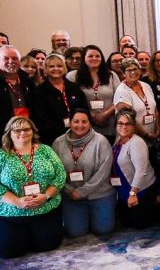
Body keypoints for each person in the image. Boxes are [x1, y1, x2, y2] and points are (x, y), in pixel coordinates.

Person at [0, 116, 66, 258]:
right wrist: (17, 202)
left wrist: (47, 195)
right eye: (17, 130)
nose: (22, 133)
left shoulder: (46, 151)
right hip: (12, 213)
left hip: (45, 209)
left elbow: (60, 175)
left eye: (26, 129)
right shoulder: (2, 155)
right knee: (9, 251)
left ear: (33, 131)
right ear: (9, 133)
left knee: (48, 245)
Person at [51, 108, 115, 237]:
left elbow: (103, 173)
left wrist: (82, 192)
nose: (80, 125)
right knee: (76, 232)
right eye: (76, 121)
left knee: (103, 230)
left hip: (99, 194)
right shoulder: (58, 143)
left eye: (84, 122)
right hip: (71, 196)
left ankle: (106, 211)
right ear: (70, 122)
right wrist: (70, 191)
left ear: (90, 123)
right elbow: (55, 173)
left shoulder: (101, 142)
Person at [112, 109, 159, 229]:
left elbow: (141, 171)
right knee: (125, 222)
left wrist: (133, 194)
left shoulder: (137, 143)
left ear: (133, 126)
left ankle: (158, 204)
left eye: (128, 124)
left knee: (139, 224)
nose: (124, 127)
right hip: (124, 187)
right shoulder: (118, 140)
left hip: (140, 188)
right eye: (120, 123)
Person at [32, 53, 90, 144]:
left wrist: (76, 126)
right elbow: (40, 117)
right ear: (46, 69)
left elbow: (84, 108)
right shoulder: (39, 91)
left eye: (59, 66)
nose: (56, 69)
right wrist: (61, 129)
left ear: (64, 68)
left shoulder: (74, 87)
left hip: (77, 134)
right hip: (52, 138)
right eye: (51, 66)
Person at [67, 45, 121, 140]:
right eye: (90, 56)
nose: (94, 58)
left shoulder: (111, 75)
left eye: (97, 56)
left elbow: (120, 99)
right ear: (84, 58)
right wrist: (90, 115)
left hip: (109, 124)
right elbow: (71, 100)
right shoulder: (73, 76)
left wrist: (105, 115)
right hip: (84, 125)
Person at [114, 58, 159, 140]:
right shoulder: (122, 91)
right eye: (129, 70)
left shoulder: (146, 86)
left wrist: (157, 131)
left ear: (140, 70)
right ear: (124, 73)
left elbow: (155, 110)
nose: (133, 72)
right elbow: (129, 119)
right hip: (132, 139)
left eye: (135, 69)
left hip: (153, 137)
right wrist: (147, 135)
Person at [0, 45, 38, 131]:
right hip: (3, 133)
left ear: (20, 61)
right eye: (6, 58)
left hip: (27, 130)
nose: (11, 61)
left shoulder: (28, 82)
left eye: (15, 58)